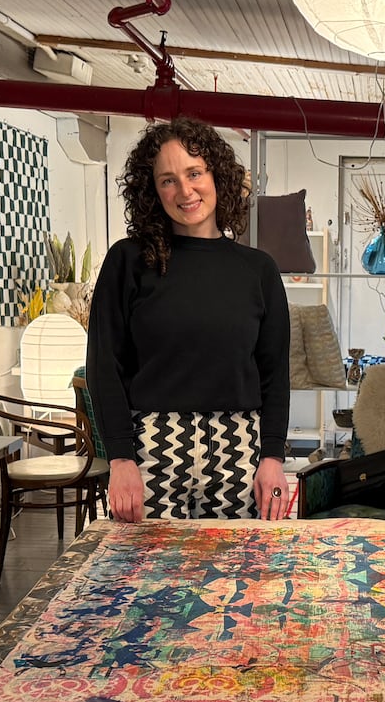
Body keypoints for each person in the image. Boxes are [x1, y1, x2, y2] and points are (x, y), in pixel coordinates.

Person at [87, 116, 291, 522]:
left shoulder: (258, 271)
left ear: (217, 175)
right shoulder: (128, 262)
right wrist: (120, 458)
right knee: (147, 579)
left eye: (194, 173)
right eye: (168, 180)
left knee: (236, 576)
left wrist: (272, 456)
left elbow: (275, 373)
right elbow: (103, 366)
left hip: (240, 448)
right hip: (151, 448)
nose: (185, 190)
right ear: (152, 190)